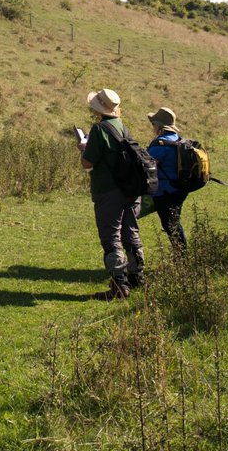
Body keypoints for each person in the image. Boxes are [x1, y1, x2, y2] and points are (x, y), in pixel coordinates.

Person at [78, 88, 144, 300]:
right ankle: (137, 277)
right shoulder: (122, 127)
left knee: (111, 236)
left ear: (97, 109)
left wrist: (84, 147)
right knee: (130, 232)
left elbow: (88, 162)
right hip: (131, 188)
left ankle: (119, 286)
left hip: (109, 190)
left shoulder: (99, 130)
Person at [145, 107, 188, 251]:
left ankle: (182, 257)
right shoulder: (178, 139)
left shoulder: (160, 144)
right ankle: (182, 256)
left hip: (165, 191)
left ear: (160, 127)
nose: (153, 127)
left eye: (154, 124)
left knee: (170, 224)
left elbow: (147, 165)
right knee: (174, 222)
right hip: (179, 188)